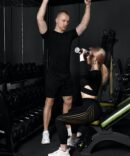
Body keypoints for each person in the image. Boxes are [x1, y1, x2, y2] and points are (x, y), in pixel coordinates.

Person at [37, 0, 92, 144]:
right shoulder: (48, 34)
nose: (66, 23)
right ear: (56, 20)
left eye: (68, 21)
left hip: (66, 76)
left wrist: (88, 6)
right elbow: (39, 19)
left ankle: (68, 130)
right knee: (49, 102)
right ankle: (45, 132)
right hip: (52, 76)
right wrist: (45, 1)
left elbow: (83, 25)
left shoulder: (68, 35)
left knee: (68, 101)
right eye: (63, 20)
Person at [48, 47, 109, 156]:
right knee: (72, 111)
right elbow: (84, 74)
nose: (87, 56)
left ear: (95, 60)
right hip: (90, 107)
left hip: (90, 110)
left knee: (59, 120)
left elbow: (82, 74)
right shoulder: (93, 72)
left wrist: (81, 56)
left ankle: (63, 151)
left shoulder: (95, 73)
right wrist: (85, 54)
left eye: (89, 55)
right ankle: (74, 139)